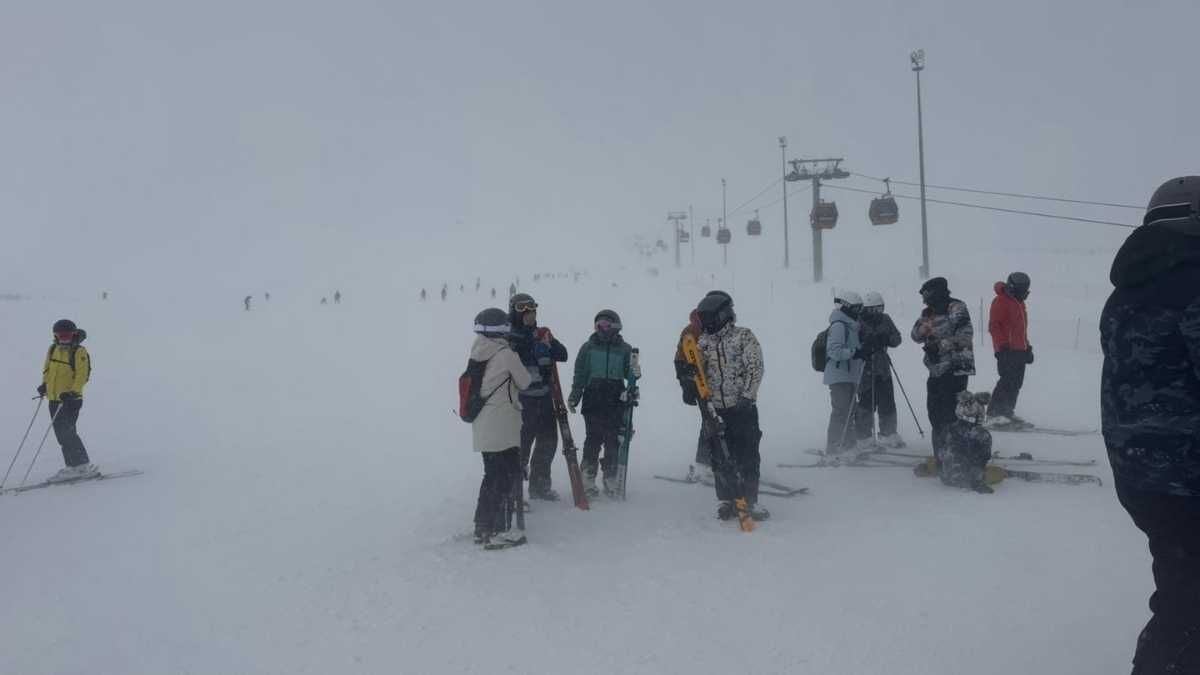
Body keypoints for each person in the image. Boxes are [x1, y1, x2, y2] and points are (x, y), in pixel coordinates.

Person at [1101, 176, 1200, 674]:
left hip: (1141, 472)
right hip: (1187, 471)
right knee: (1189, 605)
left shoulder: (1125, 293)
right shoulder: (1192, 279)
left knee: (1182, 586)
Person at [695, 292, 767, 521]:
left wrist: (748, 396)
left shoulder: (743, 337)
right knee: (720, 456)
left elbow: (755, 367)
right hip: (716, 409)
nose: (707, 324)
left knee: (747, 455)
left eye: (710, 318)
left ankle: (749, 500)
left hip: (741, 407)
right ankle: (726, 499)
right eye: (703, 320)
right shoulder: (703, 342)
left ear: (723, 315)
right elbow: (699, 372)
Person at [468, 307, 533, 547]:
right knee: (504, 477)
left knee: (492, 475)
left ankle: (481, 526)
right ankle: (493, 530)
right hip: (503, 426)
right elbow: (524, 381)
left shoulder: (478, 349)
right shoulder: (506, 354)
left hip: (484, 425)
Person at [567, 309, 638, 497]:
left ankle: (611, 477)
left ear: (615, 326)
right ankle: (587, 477)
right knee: (594, 438)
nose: (601, 329)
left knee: (613, 439)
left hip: (615, 397)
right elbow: (580, 374)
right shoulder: (588, 348)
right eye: (598, 325)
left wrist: (633, 378)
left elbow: (629, 373)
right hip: (594, 397)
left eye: (606, 325)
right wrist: (575, 395)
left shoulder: (625, 349)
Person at [507, 293, 569, 500]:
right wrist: (532, 345)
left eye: (532, 311)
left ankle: (539, 486)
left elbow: (563, 355)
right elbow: (512, 359)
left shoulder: (542, 333)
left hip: (543, 398)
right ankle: (513, 493)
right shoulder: (510, 336)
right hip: (521, 401)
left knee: (548, 442)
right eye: (523, 311)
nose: (529, 315)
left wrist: (547, 343)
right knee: (520, 446)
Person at [910, 277, 976, 469]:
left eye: (927, 295)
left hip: (956, 367)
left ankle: (956, 454)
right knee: (935, 413)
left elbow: (965, 336)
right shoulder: (928, 313)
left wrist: (939, 345)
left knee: (950, 414)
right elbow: (915, 335)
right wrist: (924, 327)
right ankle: (941, 454)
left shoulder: (956, 307)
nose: (924, 300)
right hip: (936, 369)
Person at [36, 319, 98, 482]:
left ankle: (81, 466)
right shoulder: (52, 349)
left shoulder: (79, 351)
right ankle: (74, 466)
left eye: (67, 335)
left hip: (71, 399)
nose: (63, 338)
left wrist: (73, 392)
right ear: (55, 335)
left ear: (74, 334)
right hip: (55, 399)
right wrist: (44, 385)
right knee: (61, 434)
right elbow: (47, 369)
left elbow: (82, 375)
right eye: (60, 335)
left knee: (67, 433)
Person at [856, 291, 905, 449]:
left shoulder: (885, 319)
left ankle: (888, 433)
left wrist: (887, 339)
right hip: (865, 367)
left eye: (881, 308)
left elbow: (897, 338)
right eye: (876, 309)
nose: (879, 312)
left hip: (882, 367)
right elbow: (854, 344)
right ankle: (864, 436)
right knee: (866, 401)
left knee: (887, 400)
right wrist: (865, 344)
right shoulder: (859, 321)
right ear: (868, 309)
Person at [986, 272, 1033, 429]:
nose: (1024, 294)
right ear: (1013, 288)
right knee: (1006, 381)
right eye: (1022, 291)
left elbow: (1021, 330)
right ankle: (994, 413)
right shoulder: (1000, 301)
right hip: (1006, 350)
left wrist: (1027, 347)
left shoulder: (1019, 303)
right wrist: (1001, 347)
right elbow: (994, 326)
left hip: (1019, 350)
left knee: (1016, 383)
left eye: (1026, 291)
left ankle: (1006, 412)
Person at [823, 290, 865, 457]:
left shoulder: (851, 325)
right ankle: (834, 446)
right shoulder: (839, 325)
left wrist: (862, 350)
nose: (859, 311)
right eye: (856, 308)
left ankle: (849, 444)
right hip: (839, 375)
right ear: (847, 307)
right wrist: (855, 353)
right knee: (841, 411)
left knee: (849, 411)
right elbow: (833, 351)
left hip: (850, 375)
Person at [674, 307, 710, 476]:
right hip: (701, 385)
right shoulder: (689, 333)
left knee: (725, 422)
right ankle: (704, 464)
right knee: (710, 421)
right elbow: (680, 360)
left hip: (722, 385)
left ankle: (729, 460)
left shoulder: (719, 329)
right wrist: (687, 385)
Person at [935, 391, 994, 494]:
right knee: (993, 472)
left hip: (945, 476)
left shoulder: (948, 428)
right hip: (965, 480)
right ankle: (974, 479)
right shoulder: (982, 435)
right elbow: (982, 459)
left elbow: (940, 451)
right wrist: (977, 482)